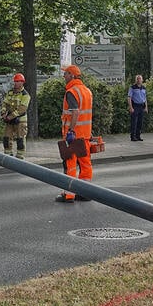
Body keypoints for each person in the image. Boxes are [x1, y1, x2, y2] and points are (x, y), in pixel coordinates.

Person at [56, 64, 93, 203]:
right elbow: (87, 114)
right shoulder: (87, 91)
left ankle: (68, 194)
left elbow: (75, 112)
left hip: (73, 137)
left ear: (72, 75)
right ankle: (85, 193)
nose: (64, 76)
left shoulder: (71, 91)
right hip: (85, 136)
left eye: (65, 74)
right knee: (85, 164)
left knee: (70, 164)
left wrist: (70, 131)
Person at [1, 72, 30, 159]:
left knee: (20, 139)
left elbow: (22, 109)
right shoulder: (10, 92)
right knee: (6, 137)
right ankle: (7, 155)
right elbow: (5, 103)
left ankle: (20, 156)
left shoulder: (25, 95)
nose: (16, 83)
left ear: (22, 82)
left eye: (18, 81)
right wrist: (3, 112)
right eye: (15, 81)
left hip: (20, 121)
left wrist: (9, 117)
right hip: (9, 119)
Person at [127, 74, 148, 141]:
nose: (139, 80)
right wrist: (131, 107)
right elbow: (129, 98)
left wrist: (146, 107)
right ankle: (133, 136)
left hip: (141, 106)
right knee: (134, 122)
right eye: (137, 79)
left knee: (140, 122)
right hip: (135, 106)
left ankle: (138, 136)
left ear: (142, 80)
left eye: (140, 79)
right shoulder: (132, 87)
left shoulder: (144, 88)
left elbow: (145, 98)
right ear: (136, 80)